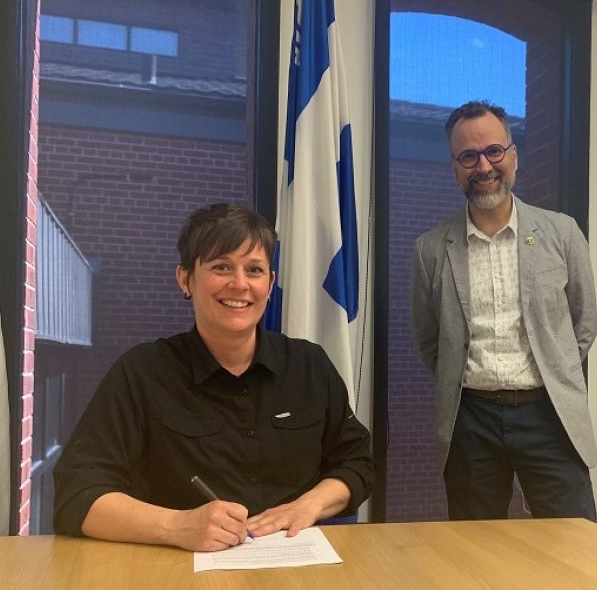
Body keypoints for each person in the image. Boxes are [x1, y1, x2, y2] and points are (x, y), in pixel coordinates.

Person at [53, 203, 373, 552]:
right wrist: (176, 526)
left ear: (270, 284)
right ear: (185, 279)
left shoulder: (310, 365)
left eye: (254, 270)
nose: (239, 284)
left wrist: (308, 505)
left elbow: (357, 462)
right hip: (175, 567)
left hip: (295, 563)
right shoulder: (141, 372)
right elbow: (76, 495)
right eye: (221, 267)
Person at [410, 100, 597, 521]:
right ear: (454, 167)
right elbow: (429, 340)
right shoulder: (430, 249)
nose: (484, 166)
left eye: (494, 151)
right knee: (475, 547)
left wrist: (555, 367)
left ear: (513, 155)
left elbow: (583, 324)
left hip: (550, 413)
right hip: (470, 420)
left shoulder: (562, 233)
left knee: (575, 543)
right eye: (468, 156)